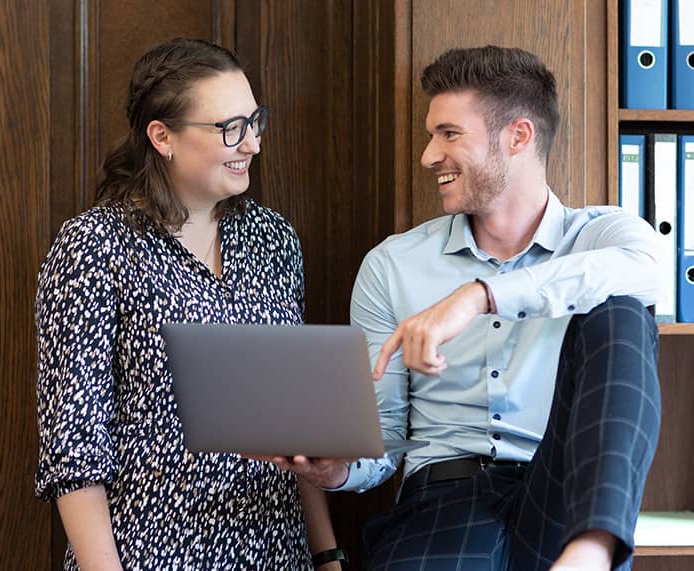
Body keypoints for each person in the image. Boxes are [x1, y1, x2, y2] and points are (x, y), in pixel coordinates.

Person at [265, 46, 662, 570]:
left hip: (565, 499)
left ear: (518, 136)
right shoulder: (392, 264)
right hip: (442, 500)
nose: (429, 155)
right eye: (432, 135)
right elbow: (381, 438)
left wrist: (478, 295)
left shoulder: (601, 235)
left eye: (449, 134)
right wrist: (338, 470)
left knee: (622, 314)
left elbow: (650, 272)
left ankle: (593, 553)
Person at [34, 37, 344, 570]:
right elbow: (74, 445)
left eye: (255, 121)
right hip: (150, 551)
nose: (253, 145)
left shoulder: (273, 240)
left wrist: (327, 554)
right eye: (230, 128)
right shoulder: (95, 246)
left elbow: (295, 422)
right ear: (162, 136)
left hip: (276, 548)